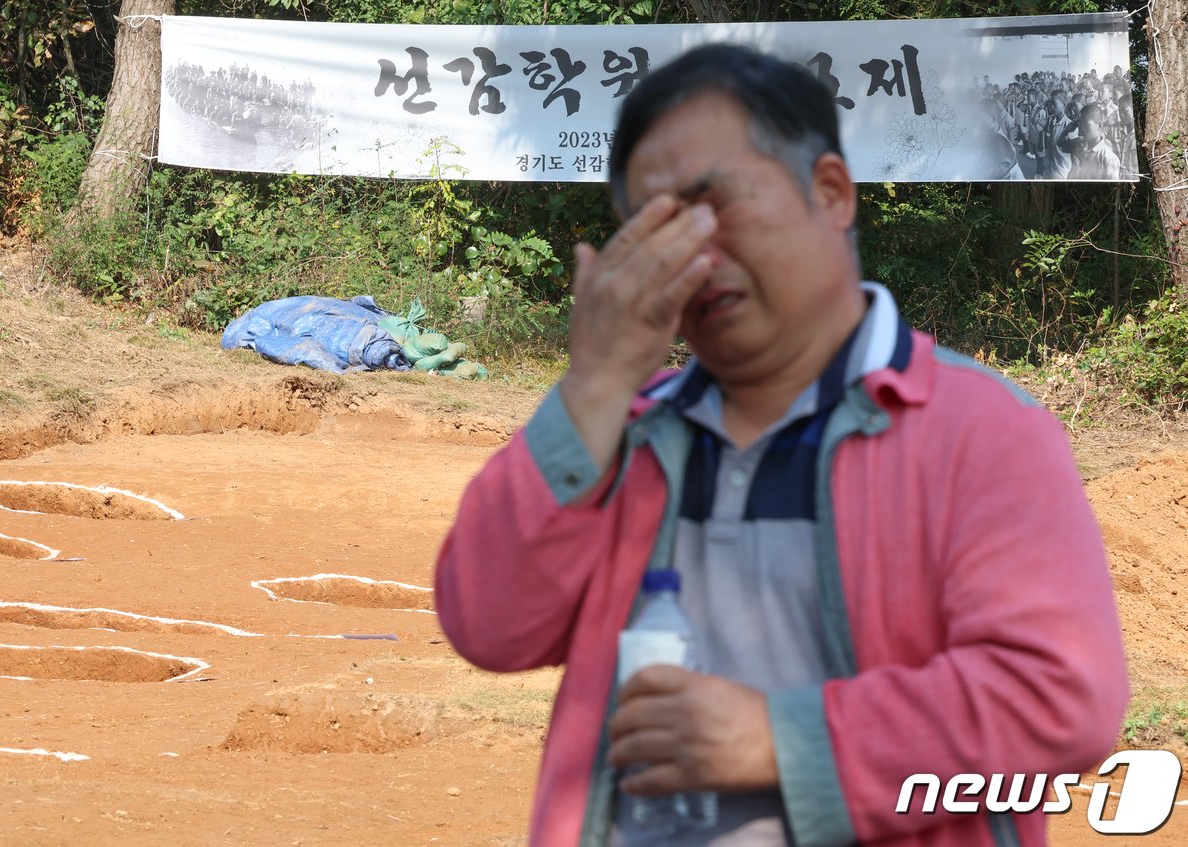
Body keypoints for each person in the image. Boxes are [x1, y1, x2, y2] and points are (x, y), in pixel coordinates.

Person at [434, 42, 1128, 847]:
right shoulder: (619, 431)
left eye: (713, 203)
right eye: (654, 227)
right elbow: (486, 623)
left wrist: (782, 738)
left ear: (831, 192)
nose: (693, 255)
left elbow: (1060, 700)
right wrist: (591, 387)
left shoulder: (979, 430)